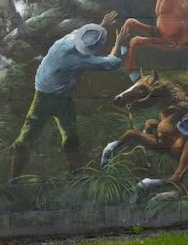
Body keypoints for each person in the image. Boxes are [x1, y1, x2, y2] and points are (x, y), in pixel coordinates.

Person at [10, 11, 130, 179]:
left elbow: (86, 37)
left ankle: (14, 179)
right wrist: (118, 42)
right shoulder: (78, 60)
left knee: (26, 136)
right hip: (60, 100)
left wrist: (100, 27)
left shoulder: (67, 39)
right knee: (70, 136)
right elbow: (111, 63)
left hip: (40, 95)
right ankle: (77, 174)